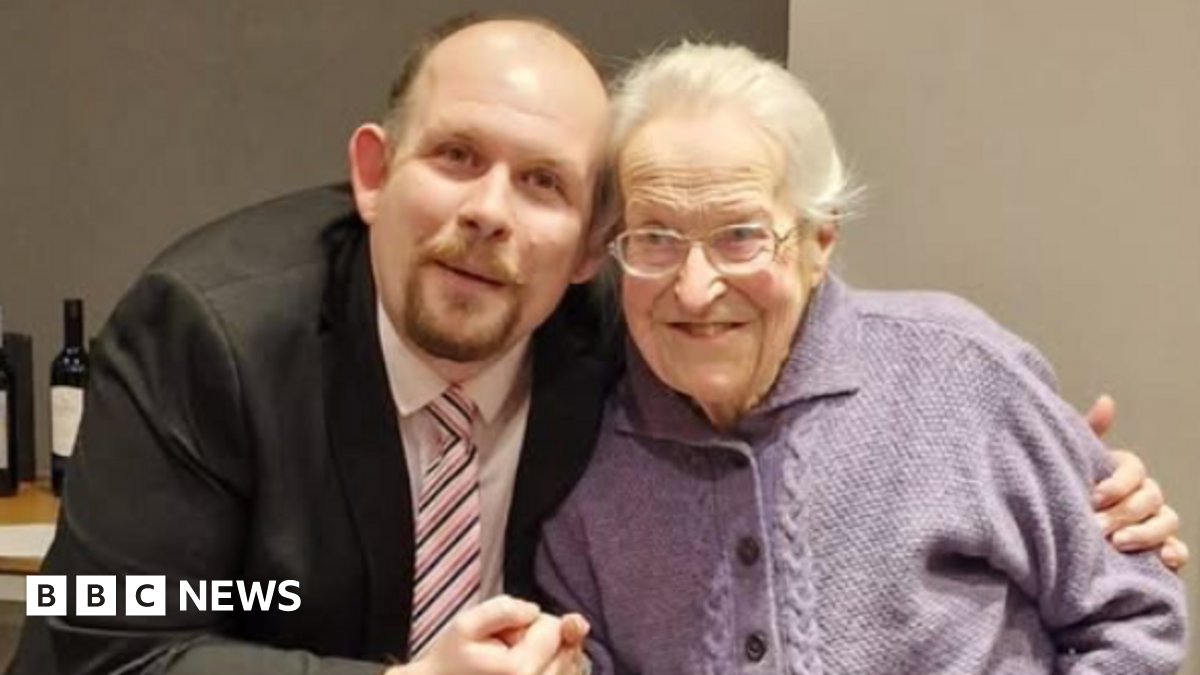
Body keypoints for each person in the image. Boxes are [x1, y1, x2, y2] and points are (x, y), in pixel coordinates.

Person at [5, 14, 1184, 675]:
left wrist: (1072, 486)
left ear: (587, 246)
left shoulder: (641, 332)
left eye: (545, 183)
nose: (490, 213)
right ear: (373, 172)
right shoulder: (210, 330)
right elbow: (99, 631)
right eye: (455, 157)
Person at [535, 42, 1188, 674]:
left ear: (819, 242)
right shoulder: (587, 456)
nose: (694, 287)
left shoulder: (960, 375)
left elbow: (1137, 618)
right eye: (655, 238)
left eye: (740, 236)